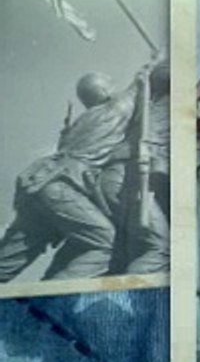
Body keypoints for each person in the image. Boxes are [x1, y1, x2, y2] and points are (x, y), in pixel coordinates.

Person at [0, 69, 138, 282]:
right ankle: (50, 300)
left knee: (9, 260)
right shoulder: (115, 109)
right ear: (103, 90)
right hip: (60, 188)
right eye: (111, 84)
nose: (115, 88)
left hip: (37, 184)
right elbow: (141, 81)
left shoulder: (80, 122)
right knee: (106, 243)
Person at [99, 57, 169, 274]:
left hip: (123, 175)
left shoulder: (147, 106)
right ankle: (128, 299)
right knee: (161, 248)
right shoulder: (160, 106)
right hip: (132, 176)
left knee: (123, 254)